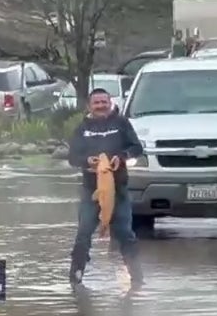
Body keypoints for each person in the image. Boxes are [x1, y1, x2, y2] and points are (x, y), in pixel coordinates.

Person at [67, 88, 144, 288]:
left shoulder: (121, 123)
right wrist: (87, 161)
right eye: (96, 102)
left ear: (110, 103)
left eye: (104, 102)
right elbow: (72, 158)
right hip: (91, 191)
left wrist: (123, 156)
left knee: (125, 234)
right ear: (89, 106)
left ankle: (137, 279)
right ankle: (75, 278)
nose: (101, 105)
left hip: (118, 190)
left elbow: (137, 148)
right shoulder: (82, 128)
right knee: (83, 233)